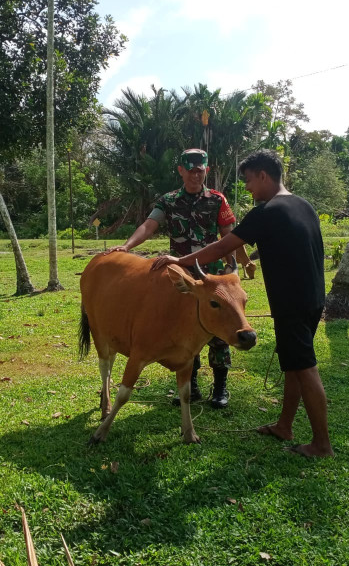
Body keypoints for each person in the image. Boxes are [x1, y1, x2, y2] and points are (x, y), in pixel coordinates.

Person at [152, 149, 333, 457]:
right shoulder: (304, 205)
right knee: (293, 365)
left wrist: (178, 260)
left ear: (264, 175)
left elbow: (223, 246)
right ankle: (284, 426)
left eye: (249, 181)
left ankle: (321, 445)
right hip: (313, 298)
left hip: (292, 303)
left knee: (305, 369)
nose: (248, 188)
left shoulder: (268, 211)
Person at [108, 148, 238, 409]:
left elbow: (229, 235)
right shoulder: (168, 200)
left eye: (200, 171)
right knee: (185, 329)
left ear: (206, 171)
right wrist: (127, 246)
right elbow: (148, 225)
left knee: (219, 331)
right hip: (180, 277)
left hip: (210, 276)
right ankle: (192, 387)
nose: (195, 175)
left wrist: (231, 266)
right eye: (190, 171)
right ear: (181, 171)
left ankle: (221, 387)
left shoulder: (217, 200)